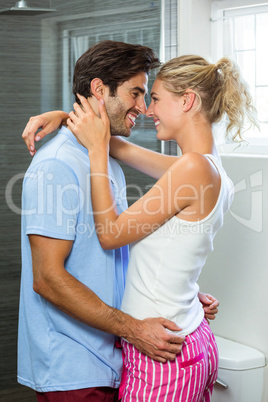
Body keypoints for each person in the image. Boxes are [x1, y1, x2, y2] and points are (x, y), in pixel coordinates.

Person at [50, 54, 258, 401]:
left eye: (157, 98)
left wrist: (96, 155)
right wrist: (63, 118)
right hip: (191, 340)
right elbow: (119, 146)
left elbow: (110, 234)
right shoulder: (210, 168)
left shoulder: (191, 169)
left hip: (165, 355)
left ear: (187, 100)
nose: (148, 110)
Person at [19, 41, 218, 402]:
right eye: (137, 93)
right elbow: (48, 278)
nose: (142, 108)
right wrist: (134, 329)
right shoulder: (56, 165)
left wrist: (176, 294)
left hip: (114, 355)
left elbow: (115, 251)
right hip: (74, 368)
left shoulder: (104, 159)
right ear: (99, 90)